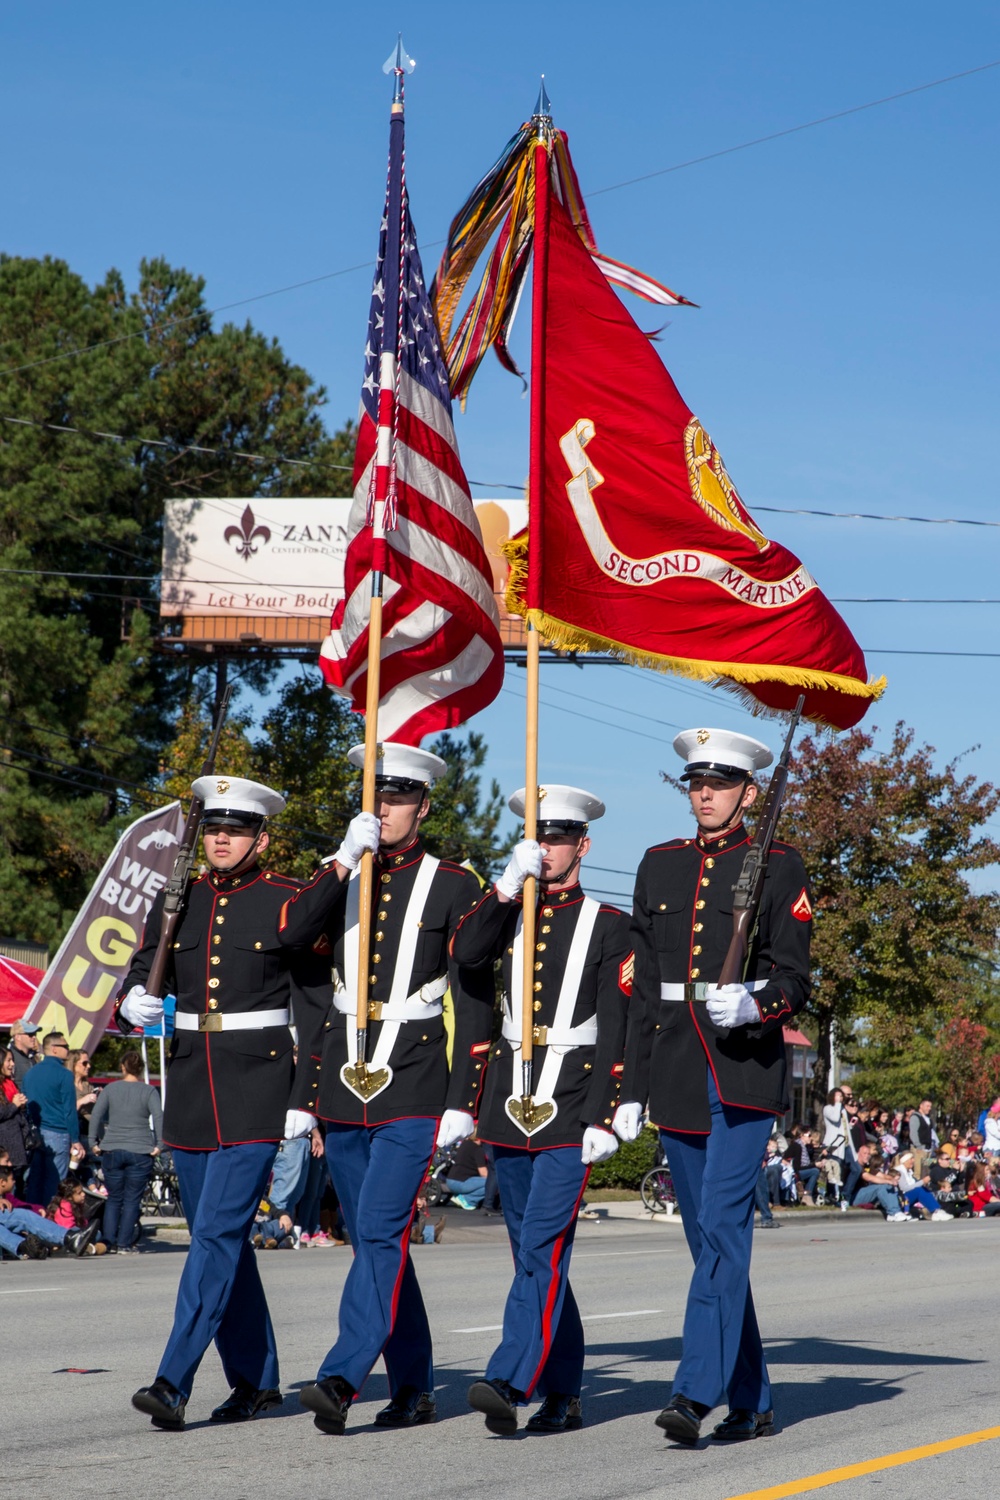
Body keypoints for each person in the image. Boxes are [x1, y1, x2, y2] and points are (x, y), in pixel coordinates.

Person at [276, 742, 494, 1436]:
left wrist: (465, 1098)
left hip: (414, 1082)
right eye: (376, 797)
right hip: (343, 1083)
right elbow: (291, 943)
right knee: (381, 1240)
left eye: (399, 797)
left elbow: (476, 989)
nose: (386, 808)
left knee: (378, 1230)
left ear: (423, 806)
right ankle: (415, 1385)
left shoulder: (455, 883)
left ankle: (343, 1375)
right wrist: (341, 861)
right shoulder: (337, 874)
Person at [614, 726, 812, 1446]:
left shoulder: (780, 866)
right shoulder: (657, 864)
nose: (704, 793)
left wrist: (759, 1003)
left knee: (725, 1231)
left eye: (721, 783)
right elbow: (639, 992)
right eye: (696, 782)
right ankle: (754, 1397)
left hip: (741, 1071)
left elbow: (797, 975)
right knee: (710, 1246)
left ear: (749, 792)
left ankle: (695, 1393)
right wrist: (629, 1085)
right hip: (673, 1068)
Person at [116, 775, 310, 1430]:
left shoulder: (288, 901)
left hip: (260, 1088)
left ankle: (173, 1378)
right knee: (216, 1239)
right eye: (215, 828)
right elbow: (148, 967)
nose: (223, 838)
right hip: (193, 1086)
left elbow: (313, 1007)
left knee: (219, 1236)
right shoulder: (179, 898)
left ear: (261, 836)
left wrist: (306, 1097)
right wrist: (130, 999)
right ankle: (257, 1382)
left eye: (237, 828)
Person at [451, 786, 632, 1436]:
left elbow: (619, 1025)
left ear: (582, 844)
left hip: (570, 1106)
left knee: (542, 1247)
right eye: (539, 837)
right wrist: (503, 886)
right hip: (508, 1105)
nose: (548, 848)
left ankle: (510, 1377)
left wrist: (610, 1111)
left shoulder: (610, 925)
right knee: (535, 1258)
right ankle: (565, 1392)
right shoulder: (510, 914)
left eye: (559, 838)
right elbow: (464, 957)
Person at [89, 1048, 163, 1253]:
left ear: (122, 1067)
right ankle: (124, 1243)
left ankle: (108, 1241)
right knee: (132, 1199)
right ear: (141, 1069)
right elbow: (158, 1117)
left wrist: (93, 1142)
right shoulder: (148, 1091)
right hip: (140, 1149)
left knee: (114, 1197)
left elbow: (96, 1115)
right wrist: (159, 1145)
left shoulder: (111, 1089)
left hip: (112, 1147)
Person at [22, 1033, 82, 1206]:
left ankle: (33, 1219)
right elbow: (69, 1110)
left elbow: (25, 1106)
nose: (68, 1050)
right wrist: (75, 1139)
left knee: (35, 1180)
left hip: (35, 1135)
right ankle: (50, 1223)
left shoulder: (30, 1074)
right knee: (55, 1183)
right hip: (57, 1132)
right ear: (54, 1049)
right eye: (66, 1047)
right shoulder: (64, 1074)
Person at [0, 1163, 98, 1259]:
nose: (10, 1163)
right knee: (21, 1216)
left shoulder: (6, 1196)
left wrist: (37, 1208)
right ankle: (69, 1238)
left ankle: (25, 1247)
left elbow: (18, 1203)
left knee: (18, 1215)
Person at [0, 1047, 30, 1186]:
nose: (12, 1064)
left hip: (16, 1146)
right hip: (5, 1149)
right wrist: (14, 1105)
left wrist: (21, 1106)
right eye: (8, 1060)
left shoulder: (9, 1083)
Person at [894, 1152, 951, 1220]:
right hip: (902, 1198)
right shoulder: (899, 1171)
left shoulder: (909, 1172)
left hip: (908, 1197)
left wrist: (924, 1182)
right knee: (919, 1190)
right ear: (905, 1161)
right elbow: (904, 1188)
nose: (913, 1160)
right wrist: (922, 1181)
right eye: (911, 1159)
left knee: (923, 1189)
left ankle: (937, 1210)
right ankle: (935, 1211)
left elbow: (914, 1185)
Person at [443, 1134, 489, 1210]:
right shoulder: (478, 1150)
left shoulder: (465, 1143)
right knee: (493, 1183)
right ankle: (468, 1199)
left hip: (451, 1180)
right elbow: (483, 1173)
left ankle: (460, 1195)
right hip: (461, 1182)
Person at [8, 1019, 40, 1087]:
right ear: (18, 1037)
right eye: (30, 1034)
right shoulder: (9, 1057)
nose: (34, 1037)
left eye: (35, 1034)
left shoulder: (34, 1056)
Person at [909, 1099, 936, 1179]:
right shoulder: (915, 1117)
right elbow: (913, 1133)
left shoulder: (928, 1119)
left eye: (930, 1106)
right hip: (919, 1149)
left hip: (927, 1149)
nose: (929, 1108)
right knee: (918, 1172)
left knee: (926, 1171)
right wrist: (918, 1146)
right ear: (921, 1106)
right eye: (927, 1106)